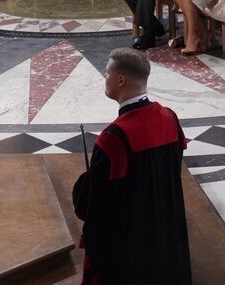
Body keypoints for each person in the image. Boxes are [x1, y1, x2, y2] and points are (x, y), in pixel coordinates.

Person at [72, 48, 190, 285]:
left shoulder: (114, 138)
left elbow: (95, 204)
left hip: (130, 246)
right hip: (165, 234)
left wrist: (85, 182)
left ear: (121, 79)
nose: (105, 79)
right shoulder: (170, 118)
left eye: (107, 74)